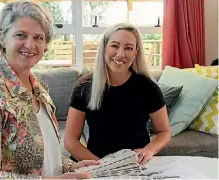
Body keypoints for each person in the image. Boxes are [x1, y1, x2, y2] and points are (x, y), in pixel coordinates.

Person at [0, 1, 99, 179]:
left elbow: (45, 152)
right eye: (21, 35)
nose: (30, 44)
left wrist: (70, 166)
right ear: (3, 38)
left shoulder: (40, 88)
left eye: (38, 38)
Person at [64, 23, 171, 166]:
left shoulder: (148, 88)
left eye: (128, 48)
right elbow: (70, 141)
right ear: (104, 47)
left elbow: (164, 132)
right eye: (114, 46)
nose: (120, 54)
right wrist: (103, 165)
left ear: (136, 52)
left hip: (135, 165)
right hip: (95, 163)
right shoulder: (84, 87)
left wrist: (149, 150)